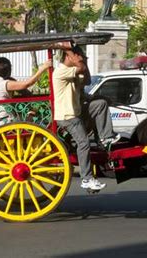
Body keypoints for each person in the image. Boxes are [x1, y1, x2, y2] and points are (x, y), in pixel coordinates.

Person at [53, 44, 120, 191]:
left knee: (100, 104)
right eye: (79, 56)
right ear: (68, 57)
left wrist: (82, 60)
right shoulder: (61, 71)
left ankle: (105, 137)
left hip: (76, 112)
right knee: (83, 144)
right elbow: (81, 69)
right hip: (67, 116)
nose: (81, 59)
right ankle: (87, 178)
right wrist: (69, 50)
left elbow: (87, 80)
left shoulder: (72, 72)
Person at [0, 57, 51, 124]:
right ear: (9, 70)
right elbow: (28, 83)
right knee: (33, 117)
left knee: (26, 114)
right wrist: (42, 68)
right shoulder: (5, 83)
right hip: (3, 121)